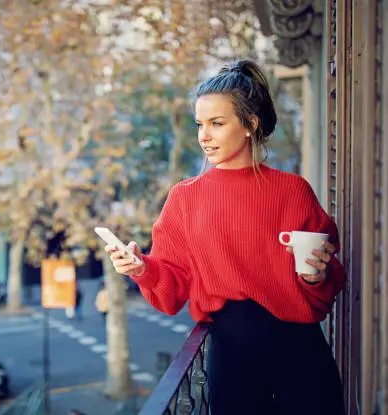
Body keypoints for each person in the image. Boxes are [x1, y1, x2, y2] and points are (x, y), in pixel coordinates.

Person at [104, 60, 347, 415]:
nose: (204, 135)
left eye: (217, 124)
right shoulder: (185, 197)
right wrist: (141, 268)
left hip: (300, 353)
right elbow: (173, 280)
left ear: (250, 124)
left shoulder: (292, 191)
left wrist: (316, 276)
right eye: (200, 124)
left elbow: (327, 282)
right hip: (232, 357)